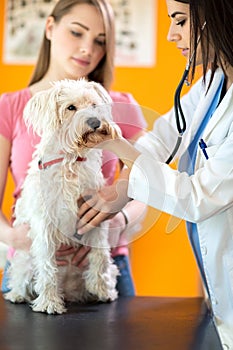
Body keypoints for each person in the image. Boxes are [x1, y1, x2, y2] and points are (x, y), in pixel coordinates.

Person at [77, 0, 233, 347]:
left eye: (180, 21)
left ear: (217, 18)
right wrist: (123, 185)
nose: (170, 34)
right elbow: (164, 135)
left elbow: (197, 198)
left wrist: (118, 147)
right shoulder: (212, 84)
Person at [0, 0, 147, 297]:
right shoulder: (9, 107)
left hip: (103, 268)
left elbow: (151, 183)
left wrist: (119, 221)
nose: (87, 49)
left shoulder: (121, 106)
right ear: (51, 27)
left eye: (100, 41)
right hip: (34, 269)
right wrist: (16, 238)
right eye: (77, 33)